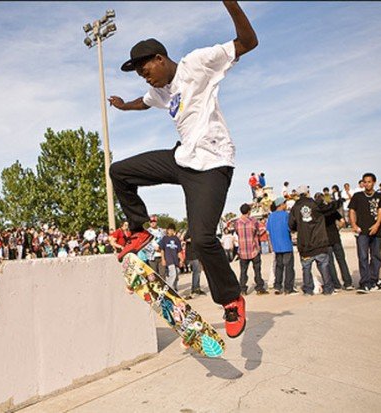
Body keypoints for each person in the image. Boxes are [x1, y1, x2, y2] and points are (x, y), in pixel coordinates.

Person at [107, 0, 257, 339]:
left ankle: (231, 299)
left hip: (213, 162)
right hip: (183, 158)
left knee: (203, 238)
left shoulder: (196, 64)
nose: (146, 78)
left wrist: (230, 4)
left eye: (146, 71)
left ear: (160, 58)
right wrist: (122, 106)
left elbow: (248, 42)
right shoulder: (160, 90)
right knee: (120, 171)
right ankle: (138, 228)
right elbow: (143, 102)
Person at [289, 185, 335, 296]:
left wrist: (299, 226)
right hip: (319, 241)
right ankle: (328, 289)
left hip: (305, 243)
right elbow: (330, 208)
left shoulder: (295, 208)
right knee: (324, 266)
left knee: (306, 268)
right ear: (308, 192)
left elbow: (291, 224)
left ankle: (308, 290)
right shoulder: (315, 204)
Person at [348, 173, 381, 294]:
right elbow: (351, 211)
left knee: (376, 256)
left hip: (376, 231)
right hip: (362, 231)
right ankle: (365, 282)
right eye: (365, 182)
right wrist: (354, 225)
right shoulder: (357, 196)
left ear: (374, 182)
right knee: (363, 256)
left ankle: (373, 281)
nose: (367, 184)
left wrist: (377, 225)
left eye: (369, 182)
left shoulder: (380, 196)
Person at [235, 204, 268, 295]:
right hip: (253, 249)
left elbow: (237, 233)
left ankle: (242, 289)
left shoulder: (237, 222)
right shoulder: (253, 221)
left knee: (243, 271)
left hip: (242, 251)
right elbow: (259, 231)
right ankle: (259, 288)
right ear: (249, 211)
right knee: (257, 270)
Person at [266, 197, 298, 295]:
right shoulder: (286, 215)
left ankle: (278, 286)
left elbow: (268, 231)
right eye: (285, 203)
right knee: (289, 267)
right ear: (281, 205)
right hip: (286, 244)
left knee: (279, 267)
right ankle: (288, 288)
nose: (286, 205)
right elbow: (290, 227)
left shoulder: (271, 217)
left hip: (276, 246)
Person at [159, 223, 183, 291]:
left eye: (172, 230)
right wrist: (163, 259)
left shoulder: (176, 239)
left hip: (176, 259)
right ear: (167, 230)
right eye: (169, 230)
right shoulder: (165, 238)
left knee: (177, 273)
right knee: (173, 274)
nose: (171, 231)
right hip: (169, 259)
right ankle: (168, 288)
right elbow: (162, 250)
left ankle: (174, 287)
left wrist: (181, 260)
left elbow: (179, 251)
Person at [183, 232, 206, 299]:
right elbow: (186, 239)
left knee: (198, 272)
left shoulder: (198, 231)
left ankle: (197, 288)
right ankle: (194, 289)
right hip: (192, 255)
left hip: (198, 254)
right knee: (196, 272)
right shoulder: (190, 230)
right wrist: (196, 239)